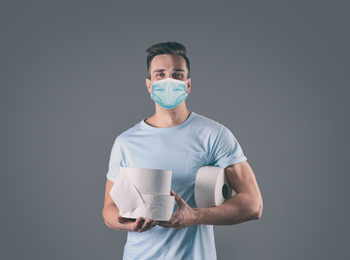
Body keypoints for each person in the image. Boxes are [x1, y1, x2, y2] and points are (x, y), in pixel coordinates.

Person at [103, 42, 263, 260]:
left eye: (177, 75)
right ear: (149, 85)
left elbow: (253, 204)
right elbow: (109, 210)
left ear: (188, 85)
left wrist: (194, 216)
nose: (168, 81)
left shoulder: (214, 135)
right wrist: (128, 224)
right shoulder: (125, 142)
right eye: (160, 74)